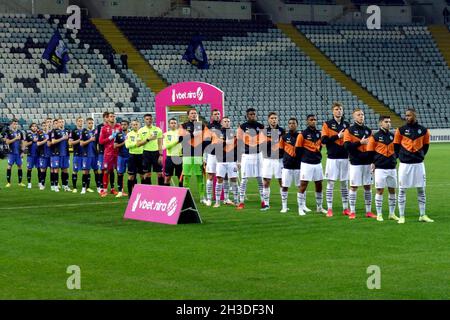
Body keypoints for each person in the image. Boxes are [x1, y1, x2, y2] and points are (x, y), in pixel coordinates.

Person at [394, 108, 433, 224]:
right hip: (405, 165)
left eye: (409, 115)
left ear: (415, 115)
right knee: (402, 190)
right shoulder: (400, 130)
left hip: (418, 164)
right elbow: (396, 146)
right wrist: (402, 156)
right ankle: (401, 216)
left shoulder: (424, 130)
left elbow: (426, 147)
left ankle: (422, 215)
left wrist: (419, 155)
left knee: (421, 189)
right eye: (406, 115)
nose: (407, 117)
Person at [343, 108, 375, 220]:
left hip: (367, 163)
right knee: (354, 186)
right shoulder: (349, 131)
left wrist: (373, 161)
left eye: (362, 114)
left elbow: (373, 148)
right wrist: (360, 142)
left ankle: (368, 211)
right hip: (355, 163)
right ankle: (352, 211)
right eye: (358, 115)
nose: (361, 116)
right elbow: (346, 146)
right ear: (354, 117)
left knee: (368, 186)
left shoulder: (368, 130)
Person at [367, 115, 399, 222]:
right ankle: (379, 214)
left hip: (392, 168)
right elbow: (370, 152)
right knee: (380, 190)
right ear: (381, 123)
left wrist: (394, 159)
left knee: (392, 190)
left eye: (389, 122)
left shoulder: (393, 136)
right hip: (380, 168)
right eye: (386, 122)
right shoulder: (375, 137)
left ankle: (392, 213)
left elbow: (397, 151)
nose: (388, 123)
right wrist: (372, 163)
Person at [321, 102, 351, 217]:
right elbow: (323, 140)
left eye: (340, 109)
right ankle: (329, 208)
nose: (339, 111)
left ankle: (345, 208)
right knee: (331, 183)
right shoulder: (327, 124)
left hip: (345, 158)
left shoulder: (347, 125)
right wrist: (338, 136)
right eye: (336, 109)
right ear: (333, 111)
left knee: (344, 183)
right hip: (332, 158)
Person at [295, 114, 327, 216]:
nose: (313, 121)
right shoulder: (302, 134)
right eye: (311, 120)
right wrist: (305, 158)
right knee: (303, 185)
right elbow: (298, 150)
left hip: (317, 163)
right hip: (306, 163)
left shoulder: (319, 133)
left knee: (319, 185)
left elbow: (320, 148)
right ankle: (300, 208)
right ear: (307, 121)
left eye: (314, 120)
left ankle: (319, 207)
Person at [236, 108, 265, 210]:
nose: (252, 116)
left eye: (254, 114)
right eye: (250, 114)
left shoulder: (261, 126)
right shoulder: (242, 127)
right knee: (244, 180)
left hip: (258, 155)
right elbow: (239, 143)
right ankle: (241, 202)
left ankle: (263, 201)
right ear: (247, 116)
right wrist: (238, 160)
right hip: (246, 156)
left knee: (260, 179)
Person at [178, 108, 209, 201]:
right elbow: (180, 140)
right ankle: (185, 197)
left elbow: (206, 140)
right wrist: (192, 135)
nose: (194, 115)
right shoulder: (183, 126)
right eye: (191, 113)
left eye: (195, 113)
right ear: (188, 115)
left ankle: (202, 196)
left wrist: (204, 153)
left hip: (198, 155)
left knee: (200, 176)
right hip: (187, 154)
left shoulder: (202, 126)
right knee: (186, 176)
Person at [211, 117, 239, 207]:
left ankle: (236, 200)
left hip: (232, 161)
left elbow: (237, 147)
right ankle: (218, 201)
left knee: (233, 179)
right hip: (221, 160)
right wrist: (225, 142)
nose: (227, 123)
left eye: (228, 121)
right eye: (225, 121)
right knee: (219, 179)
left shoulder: (233, 134)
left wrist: (238, 161)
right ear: (221, 123)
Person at [260, 112, 285, 211]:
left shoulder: (282, 131)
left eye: (275, 118)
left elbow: (284, 145)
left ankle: (284, 204)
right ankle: (266, 204)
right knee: (266, 182)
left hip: (280, 159)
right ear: (268, 119)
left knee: (282, 182)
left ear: (277, 119)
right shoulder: (264, 131)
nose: (274, 120)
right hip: (268, 159)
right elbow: (262, 145)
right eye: (272, 118)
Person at [99, 112, 122, 197]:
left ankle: (118, 190)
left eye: (113, 116)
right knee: (106, 170)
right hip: (108, 152)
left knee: (119, 171)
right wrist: (110, 137)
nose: (112, 118)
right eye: (111, 116)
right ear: (107, 118)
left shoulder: (119, 127)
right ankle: (104, 190)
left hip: (118, 152)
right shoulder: (104, 128)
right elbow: (101, 141)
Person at [137, 114, 164, 186]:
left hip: (156, 153)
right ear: (144, 120)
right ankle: (148, 192)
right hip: (146, 153)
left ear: (152, 120)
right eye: (147, 119)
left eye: (150, 119)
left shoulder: (158, 130)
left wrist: (161, 155)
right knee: (147, 174)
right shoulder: (141, 130)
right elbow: (138, 144)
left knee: (160, 173)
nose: (149, 120)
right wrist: (148, 139)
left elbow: (160, 143)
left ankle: (161, 191)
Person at [204, 109, 222, 206]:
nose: (217, 116)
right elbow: (206, 142)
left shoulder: (223, 126)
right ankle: (209, 199)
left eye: (218, 114)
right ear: (211, 116)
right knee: (210, 176)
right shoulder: (209, 127)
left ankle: (218, 200)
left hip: (222, 156)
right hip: (212, 155)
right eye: (215, 114)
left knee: (220, 177)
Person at [125, 119, 144, 197]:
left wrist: (135, 143)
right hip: (132, 156)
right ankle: (130, 194)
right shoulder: (128, 134)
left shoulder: (143, 133)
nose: (135, 126)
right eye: (133, 125)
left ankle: (143, 193)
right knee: (131, 176)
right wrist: (137, 143)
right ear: (131, 126)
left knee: (143, 175)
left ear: (139, 125)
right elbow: (127, 145)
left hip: (142, 156)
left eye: (136, 124)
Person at [96, 112, 114, 194]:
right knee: (101, 170)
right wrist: (98, 150)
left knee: (111, 170)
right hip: (102, 151)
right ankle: (100, 187)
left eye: (109, 117)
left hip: (111, 152)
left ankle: (112, 188)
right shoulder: (99, 127)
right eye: (106, 117)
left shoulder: (113, 127)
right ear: (104, 118)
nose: (108, 118)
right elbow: (97, 140)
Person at [163, 118, 183, 187]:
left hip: (179, 157)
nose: (173, 124)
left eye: (174, 123)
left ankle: (181, 195)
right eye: (172, 123)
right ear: (169, 124)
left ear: (177, 124)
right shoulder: (165, 134)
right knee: (167, 178)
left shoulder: (181, 134)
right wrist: (177, 141)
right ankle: (166, 195)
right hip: (170, 157)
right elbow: (165, 146)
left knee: (180, 178)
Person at [80, 117, 98, 194]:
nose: (91, 124)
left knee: (96, 171)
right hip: (86, 154)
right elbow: (81, 143)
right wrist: (90, 140)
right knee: (85, 171)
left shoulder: (96, 131)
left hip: (95, 155)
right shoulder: (83, 131)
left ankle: (99, 187)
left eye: (92, 123)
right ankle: (84, 188)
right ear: (86, 123)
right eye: (89, 123)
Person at [5, 119, 24, 187]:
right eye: (14, 124)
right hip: (11, 152)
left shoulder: (20, 132)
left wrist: (23, 152)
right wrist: (15, 138)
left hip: (18, 153)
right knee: (9, 166)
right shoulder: (9, 132)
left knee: (20, 166)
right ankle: (8, 183)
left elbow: (22, 143)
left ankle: (20, 182)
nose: (15, 125)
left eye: (16, 124)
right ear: (11, 125)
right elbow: (7, 142)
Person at [114, 120, 130, 198]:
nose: (123, 126)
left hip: (131, 156)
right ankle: (120, 191)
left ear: (128, 125)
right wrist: (124, 142)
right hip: (121, 156)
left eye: (125, 124)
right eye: (122, 124)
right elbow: (115, 146)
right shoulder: (118, 134)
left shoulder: (132, 134)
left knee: (132, 174)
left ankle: (133, 190)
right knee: (120, 173)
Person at [69, 117, 84, 193]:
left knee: (85, 170)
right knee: (75, 170)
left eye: (81, 121)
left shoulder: (85, 131)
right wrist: (80, 140)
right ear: (76, 122)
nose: (80, 122)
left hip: (85, 154)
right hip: (77, 153)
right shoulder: (73, 131)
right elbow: (70, 143)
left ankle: (85, 187)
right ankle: (74, 187)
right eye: (79, 121)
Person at [23, 122, 39, 189]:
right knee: (29, 169)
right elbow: (25, 144)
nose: (34, 127)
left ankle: (40, 183)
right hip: (30, 155)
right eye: (33, 126)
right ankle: (29, 183)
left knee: (39, 169)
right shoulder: (28, 134)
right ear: (30, 127)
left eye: (35, 126)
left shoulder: (39, 134)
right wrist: (32, 141)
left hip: (38, 155)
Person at [37, 121, 51, 190]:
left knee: (53, 170)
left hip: (51, 155)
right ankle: (42, 184)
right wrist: (45, 140)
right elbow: (38, 144)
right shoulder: (40, 134)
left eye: (46, 125)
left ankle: (53, 184)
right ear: (42, 127)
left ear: (48, 126)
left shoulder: (51, 134)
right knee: (43, 170)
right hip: (43, 154)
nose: (45, 127)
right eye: (43, 126)